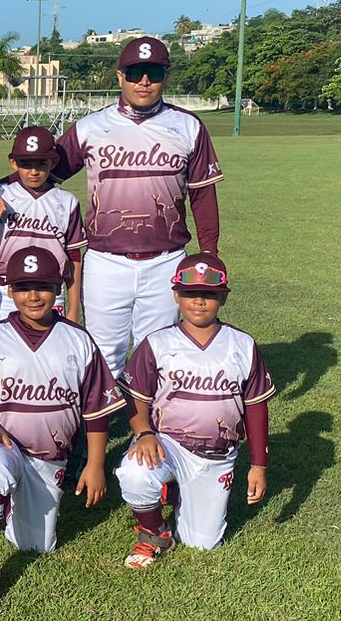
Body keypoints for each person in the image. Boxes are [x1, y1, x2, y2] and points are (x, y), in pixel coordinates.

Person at [0, 248, 122, 612]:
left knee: (37, 545)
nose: (34, 296)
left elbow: (97, 409)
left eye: (44, 287)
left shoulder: (78, 340)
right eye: (24, 287)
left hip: (51, 457)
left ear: (59, 288)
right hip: (6, 445)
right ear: (10, 291)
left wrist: (95, 464)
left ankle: (8, 505)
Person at [52, 36, 223, 376]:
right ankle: (99, 428)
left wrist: (209, 254)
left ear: (165, 76)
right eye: (135, 73)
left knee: (157, 353)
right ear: (120, 77)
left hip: (166, 259)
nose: (144, 81)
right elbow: (43, 173)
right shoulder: (90, 127)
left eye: (153, 73)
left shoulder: (188, 126)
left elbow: (202, 194)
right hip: (106, 261)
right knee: (102, 356)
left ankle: (149, 429)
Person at [116, 254, 275, 569]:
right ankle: (155, 533)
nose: (198, 301)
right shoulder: (157, 342)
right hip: (168, 444)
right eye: (189, 293)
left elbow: (256, 406)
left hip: (217, 454)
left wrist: (259, 465)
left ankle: (174, 491)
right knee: (134, 473)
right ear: (176, 295)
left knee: (202, 543)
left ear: (223, 297)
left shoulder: (242, 345)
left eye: (209, 294)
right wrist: (144, 433)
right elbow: (136, 399)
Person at [0, 125, 85, 324]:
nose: (33, 171)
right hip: (6, 291)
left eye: (41, 163)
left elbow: (73, 257)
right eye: (26, 163)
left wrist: (73, 310)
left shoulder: (67, 201)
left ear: (53, 162)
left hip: (51, 292)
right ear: (13, 163)